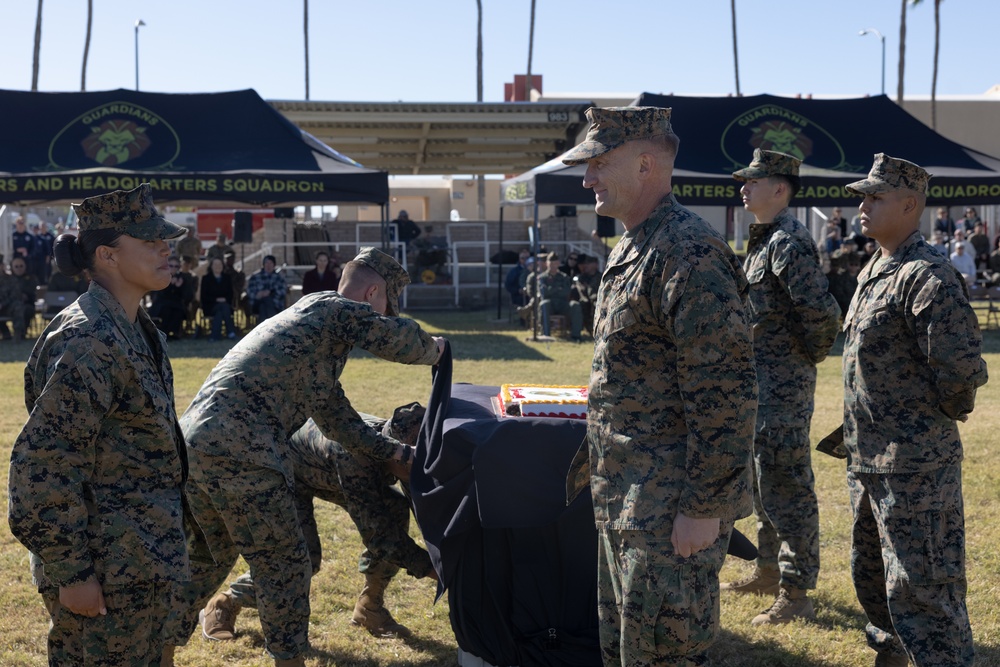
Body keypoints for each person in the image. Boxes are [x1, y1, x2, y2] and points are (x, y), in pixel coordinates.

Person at [164, 247, 446, 667]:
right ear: (372, 293)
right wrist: (435, 350)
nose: (383, 315)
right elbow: (398, 340)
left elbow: (339, 423)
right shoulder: (335, 310)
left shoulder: (310, 333)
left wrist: (397, 452)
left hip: (196, 445)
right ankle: (288, 660)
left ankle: (158, 650)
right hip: (243, 452)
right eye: (386, 305)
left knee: (209, 555)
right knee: (285, 565)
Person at [561, 106, 757, 667]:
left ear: (646, 164)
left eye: (599, 163)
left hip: (669, 510)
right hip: (626, 498)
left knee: (666, 655)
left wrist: (704, 506)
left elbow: (727, 393)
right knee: (627, 651)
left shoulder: (688, 253)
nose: (587, 178)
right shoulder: (633, 246)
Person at [6, 183, 198, 666]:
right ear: (109, 256)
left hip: (141, 566)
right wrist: (72, 573)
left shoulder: (132, 326)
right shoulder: (90, 339)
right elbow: (42, 467)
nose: (165, 248)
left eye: (164, 239)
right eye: (150, 241)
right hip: (107, 573)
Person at [841, 154, 987, 667]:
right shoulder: (876, 268)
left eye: (875, 197)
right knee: (874, 576)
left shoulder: (928, 276)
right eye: (862, 195)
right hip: (867, 458)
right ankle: (892, 652)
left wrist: (920, 423)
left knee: (925, 588)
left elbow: (962, 372)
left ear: (909, 205)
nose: (862, 205)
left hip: (915, 465)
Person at [723, 149, 841, 625]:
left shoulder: (789, 242)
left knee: (788, 489)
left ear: (780, 188)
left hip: (782, 389)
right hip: (761, 387)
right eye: (743, 181)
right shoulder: (765, 241)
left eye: (754, 181)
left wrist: (799, 362)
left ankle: (796, 593)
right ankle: (768, 571)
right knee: (765, 482)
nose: (744, 188)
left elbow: (821, 314)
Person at [200, 404, 435, 642]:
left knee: (393, 509)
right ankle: (225, 602)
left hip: (324, 471)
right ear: (394, 451)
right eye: (412, 462)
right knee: (303, 560)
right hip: (285, 471)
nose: (420, 469)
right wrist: (434, 569)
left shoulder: (405, 447)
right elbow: (380, 536)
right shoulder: (355, 456)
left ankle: (370, 607)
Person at [537, 252, 583, 341]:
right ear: (547, 263)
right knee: (544, 304)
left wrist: (551, 289)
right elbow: (544, 293)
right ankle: (546, 334)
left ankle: (576, 335)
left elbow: (566, 292)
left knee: (575, 305)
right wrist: (558, 289)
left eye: (555, 263)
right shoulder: (542, 277)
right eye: (551, 263)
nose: (553, 265)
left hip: (563, 303)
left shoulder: (564, 277)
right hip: (550, 303)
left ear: (558, 263)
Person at [147, 255, 194, 339]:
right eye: (171, 265)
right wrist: (169, 286)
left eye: (176, 266)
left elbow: (187, 296)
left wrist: (179, 287)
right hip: (162, 304)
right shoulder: (160, 277)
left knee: (178, 310)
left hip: (177, 304)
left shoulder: (183, 278)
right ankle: (165, 332)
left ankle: (175, 333)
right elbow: (157, 294)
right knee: (167, 309)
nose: (173, 268)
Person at [200, 256, 238, 340]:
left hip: (226, 305)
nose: (218, 266)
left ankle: (215, 336)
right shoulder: (206, 279)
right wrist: (216, 300)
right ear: (211, 266)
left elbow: (231, 294)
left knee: (220, 311)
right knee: (222, 307)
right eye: (215, 264)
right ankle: (231, 332)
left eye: (219, 264)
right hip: (210, 306)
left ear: (223, 265)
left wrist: (224, 300)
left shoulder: (227, 278)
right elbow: (204, 296)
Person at [246, 254, 287, 321]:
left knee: (264, 305)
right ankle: (272, 322)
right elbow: (249, 291)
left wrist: (270, 293)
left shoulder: (279, 278)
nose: (268, 265)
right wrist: (258, 295)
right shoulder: (255, 277)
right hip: (257, 304)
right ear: (263, 264)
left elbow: (283, 291)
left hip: (275, 305)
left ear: (274, 265)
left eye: (271, 263)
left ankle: (261, 327)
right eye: (266, 263)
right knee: (263, 302)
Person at [9, 256, 38, 336]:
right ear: (12, 267)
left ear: (25, 266)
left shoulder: (31, 278)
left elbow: (30, 292)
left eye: (21, 266)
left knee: (24, 310)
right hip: (10, 306)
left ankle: (22, 332)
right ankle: (6, 333)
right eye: (16, 266)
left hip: (27, 305)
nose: (19, 268)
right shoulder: (8, 279)